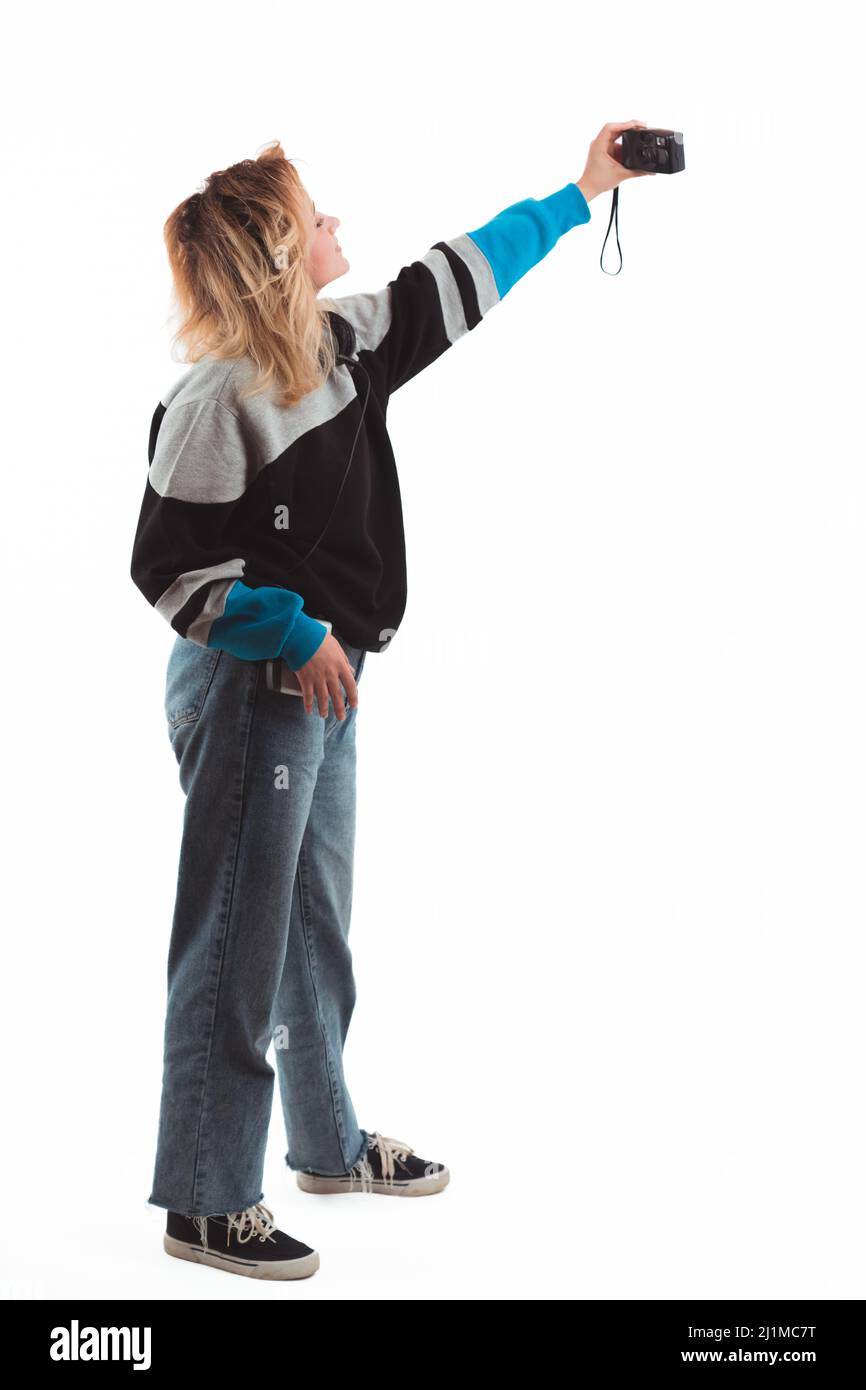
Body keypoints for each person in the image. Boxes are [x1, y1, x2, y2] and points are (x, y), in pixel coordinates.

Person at [130, 121, 655, 1282]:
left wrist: (580, 191)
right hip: (253, 683)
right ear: (277, 251)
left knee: (315, 921)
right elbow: (172, 569)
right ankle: (207, 1200)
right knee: (236, 934)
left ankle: (323, 1144)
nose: (337, 230)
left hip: (329, 681)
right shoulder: (217, 400)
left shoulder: (343, 342)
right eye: (318, 220)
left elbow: (459, 272)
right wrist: (299, 631)